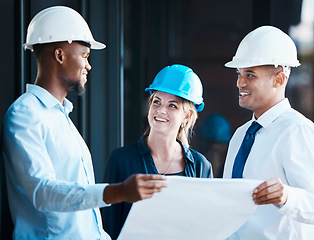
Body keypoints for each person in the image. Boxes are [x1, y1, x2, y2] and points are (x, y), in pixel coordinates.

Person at [1, 6, 166, 240]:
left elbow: (80, 217)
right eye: (85, 56)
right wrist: (118, 191)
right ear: (60, 55)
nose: (89, 65)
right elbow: (42, 192)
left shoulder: (61, 118)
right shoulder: (25, 115)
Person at [222, 25, 314, 239]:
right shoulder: (241, 135)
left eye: (250, 75)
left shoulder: (297, 131)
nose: (240, 82)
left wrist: (286, 196)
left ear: (279, 79)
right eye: (239, 73)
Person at [102, 64, 213, 239]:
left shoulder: (200, 166)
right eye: (157, 102)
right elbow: (108, 227)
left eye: (173, 106)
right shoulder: (121, 160)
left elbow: (206, 228)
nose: (161, 110)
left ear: (187, 117)